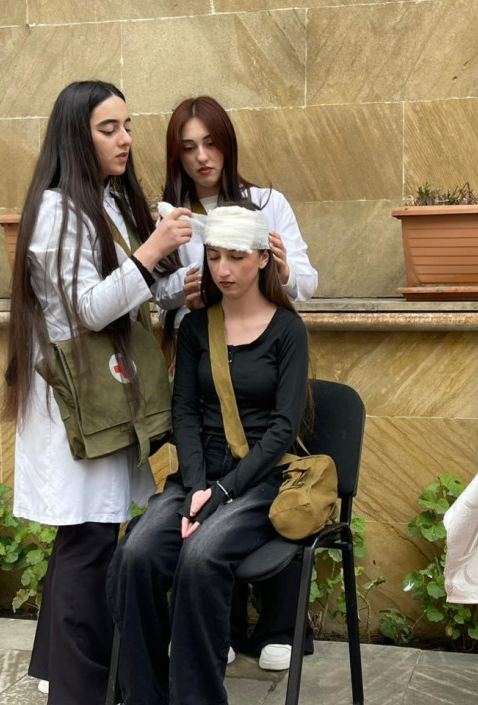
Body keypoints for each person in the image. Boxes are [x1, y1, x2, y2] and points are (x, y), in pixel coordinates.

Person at [2, 80, 193, 705]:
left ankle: (66, 675)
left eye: (128, 126)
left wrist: (180, 285)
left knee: (87, 539)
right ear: (75, 136)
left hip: (103, 398)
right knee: (87, 540)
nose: (125, 139)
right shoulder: (58, 210)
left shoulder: (105, 202)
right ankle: (80, 690)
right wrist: (153, 249)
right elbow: (88, 309)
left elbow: (130, 297)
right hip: (79, 402)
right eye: (108, 128)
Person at [107, 204, 310, 705]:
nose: (223, 269)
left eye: (236, 257)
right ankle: (144, 697)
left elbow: (283, 429)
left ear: (262, 258)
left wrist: (221, 492)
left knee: (200, 557)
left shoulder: (288, 330)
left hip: (258, 480)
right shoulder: (197, 328)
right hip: (198, 475)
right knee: (135, 555)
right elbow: (185, 413)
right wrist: (198, 486)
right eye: (214, 256)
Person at [157, 95, 318, 671]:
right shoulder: (171, 217)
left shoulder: (268, 203)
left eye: (211, 143)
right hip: (204, 353)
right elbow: (155, 290)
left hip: (264, 350)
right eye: (188, 147)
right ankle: (216, 629)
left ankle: (278, 627)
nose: (202, 157)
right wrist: (182, 291)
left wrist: (280, 267)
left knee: (266, 467)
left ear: (227, 143)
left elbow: (306, 282)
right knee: (205, 489)